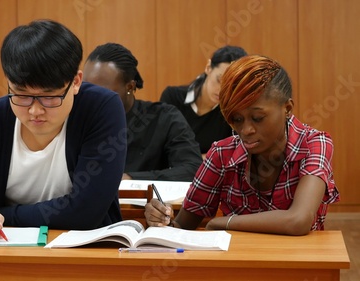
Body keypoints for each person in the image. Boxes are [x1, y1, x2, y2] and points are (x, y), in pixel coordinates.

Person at [0, 20, 128, 240]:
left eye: (49, 97)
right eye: (21, 95)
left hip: (86, 252)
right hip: (4, 253)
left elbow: (86, 210)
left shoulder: (101, 109)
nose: (35, 110)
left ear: (75, 82)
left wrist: (2, 216)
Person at [145, 55, 340, 235]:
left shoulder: (313, 143)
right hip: (236, 267)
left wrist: (223, 222)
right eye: (237, 119)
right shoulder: (222, 153)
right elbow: (182, 227)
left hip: (300, 266)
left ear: (287, 108)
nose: (246, 130)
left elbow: (298, 220)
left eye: (257, 118)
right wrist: (162, 220)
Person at [83, 43, 203, 181]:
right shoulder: (76, 118)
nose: (90, 97)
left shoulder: (164, 117)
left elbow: (192, 169)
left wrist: (131, 179)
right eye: (86, 88)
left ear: (130, 86)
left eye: (101, 92)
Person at [160, 46, 247, 155]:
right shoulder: (173, 98)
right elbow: (162, 149)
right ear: (208, 67)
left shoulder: (231, 113)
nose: (222, 91)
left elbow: (229, 157)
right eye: (219, 80)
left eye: (231, 86)